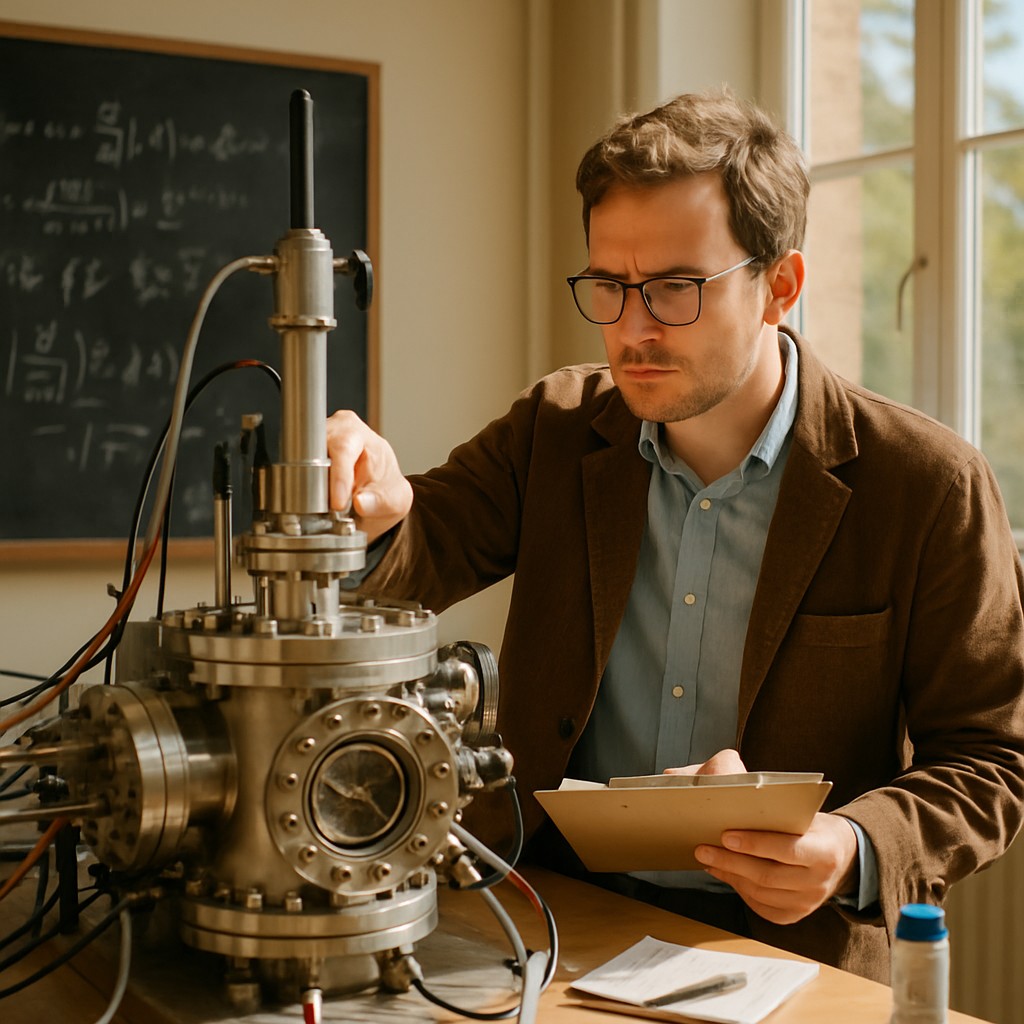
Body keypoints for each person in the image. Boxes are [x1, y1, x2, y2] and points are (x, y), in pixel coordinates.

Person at [325, 90, 1024, 981]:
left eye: (675, 289)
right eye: (609, 288)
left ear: (781, 285)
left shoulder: (927, 483)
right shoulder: (554, 429)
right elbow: (418, 554)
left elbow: (995, 759)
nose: (633, 329)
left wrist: (851, 845)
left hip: (791, 958)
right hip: (548, 922)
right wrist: (380, 510)